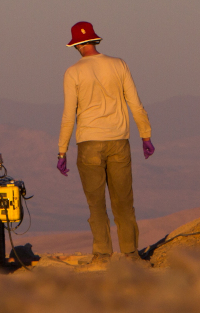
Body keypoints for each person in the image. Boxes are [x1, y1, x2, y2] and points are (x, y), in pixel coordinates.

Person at [56, 21, 154, 262]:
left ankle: (101, 256)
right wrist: (145, 134)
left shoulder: (73, 72)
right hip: (119, 140)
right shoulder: (119, 65)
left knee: (96, 205)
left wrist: (61, 151)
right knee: (124, 203)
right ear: (94, 40)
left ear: (76, 45)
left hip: (88, 142)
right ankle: (130, 255)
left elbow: (69, 115)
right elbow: (135, 103)